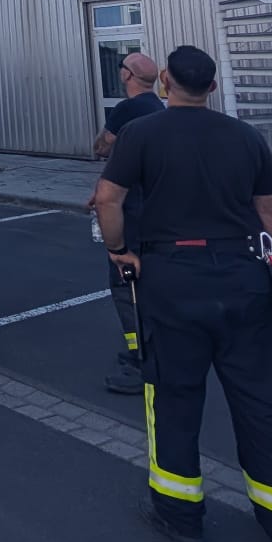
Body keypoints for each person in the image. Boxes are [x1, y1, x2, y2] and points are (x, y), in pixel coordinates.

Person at [91, 44, 272, 542]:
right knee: (263, 403)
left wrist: (120, 252)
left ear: (164, 82)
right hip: (244, 278)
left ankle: (180, 517)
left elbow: (108, 199)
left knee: (173, 399)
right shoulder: (246, 137)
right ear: (212, 87)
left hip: (171, 282)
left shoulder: (142, 133)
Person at [91, 51, 161, 395]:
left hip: (130, 214)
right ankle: (158, 349)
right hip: (157, 214)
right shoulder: (160, 111)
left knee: (126, 287)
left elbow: (102, 147)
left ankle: (140, 359)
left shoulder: (128, 110)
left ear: (127, 76)